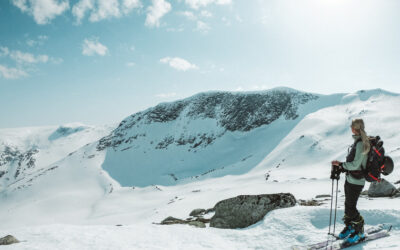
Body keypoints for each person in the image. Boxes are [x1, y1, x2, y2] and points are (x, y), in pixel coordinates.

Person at [331, 118, 370, 244]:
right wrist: (342, 166)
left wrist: (342, 165)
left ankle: (359, 231)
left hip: (356, 181)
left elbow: (355, 165)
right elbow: (353, 163)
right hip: (351, 179)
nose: (350, 128)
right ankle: (350, 226)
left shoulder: (360, 144)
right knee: (348, 206)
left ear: (355, 128)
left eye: (351, 126)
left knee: (351, 208)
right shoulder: (358, 141)